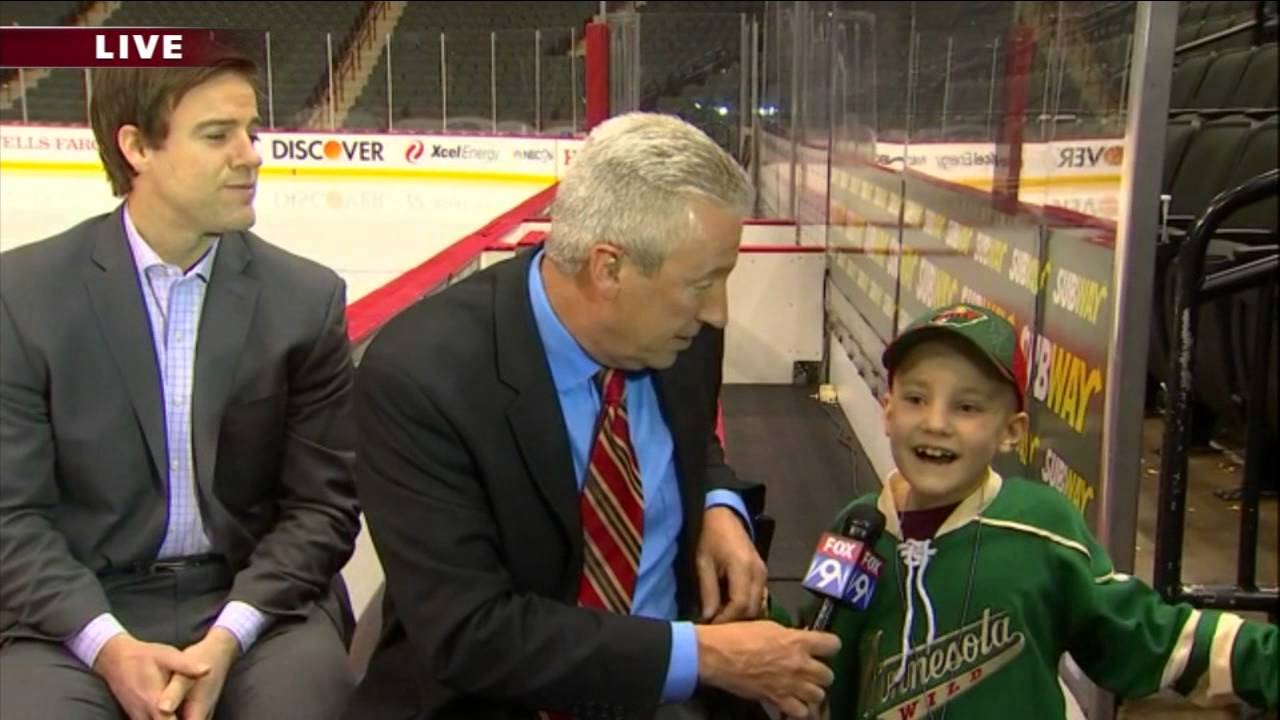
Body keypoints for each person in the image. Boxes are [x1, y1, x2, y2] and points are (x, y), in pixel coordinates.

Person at [347, 112, 840, 720]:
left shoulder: (677, 329)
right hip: (497, 699)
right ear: (609, 269)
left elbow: (690, 445)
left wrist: (718, 505)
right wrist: (704, 656)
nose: (719, 312)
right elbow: (468, 632)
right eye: (705, 282)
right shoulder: (420, 377)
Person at [0, 49, 361, 720]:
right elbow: (10, 517)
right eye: (218, 135)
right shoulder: (22, 298)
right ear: (136, 147)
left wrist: (229, 636)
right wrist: (107, 645)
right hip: (77, 611)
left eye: (252, 131)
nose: (251, 155)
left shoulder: (304, 300)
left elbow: (323, 509)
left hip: (257, 606)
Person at [808, 303, 1278, 719]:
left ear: (1012, 431)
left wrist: (1267, 661)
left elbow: (1144, 634)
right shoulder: (857, 527)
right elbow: (814, 652)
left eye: (967, 407)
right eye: (915, 399)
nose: (936, 423)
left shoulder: (1040, 526)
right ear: (887, 411)